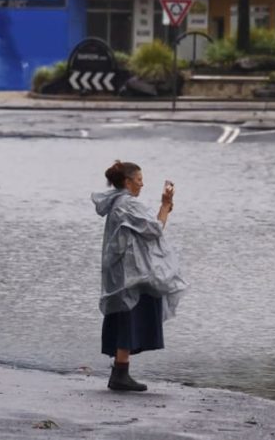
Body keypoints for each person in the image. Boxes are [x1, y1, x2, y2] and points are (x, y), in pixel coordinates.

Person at [92, 160, 188, 392]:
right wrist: (165, 205)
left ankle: (120, 371)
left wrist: (164, 208)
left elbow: (147, 229)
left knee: (126, 314)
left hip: (124, 270)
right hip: (130, 272)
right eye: (139, 180)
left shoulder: (118, 203)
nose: (142, 184)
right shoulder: (127, 204)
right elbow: (154, 229)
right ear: (127, 182)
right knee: (129, 314)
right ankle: (120, 373)